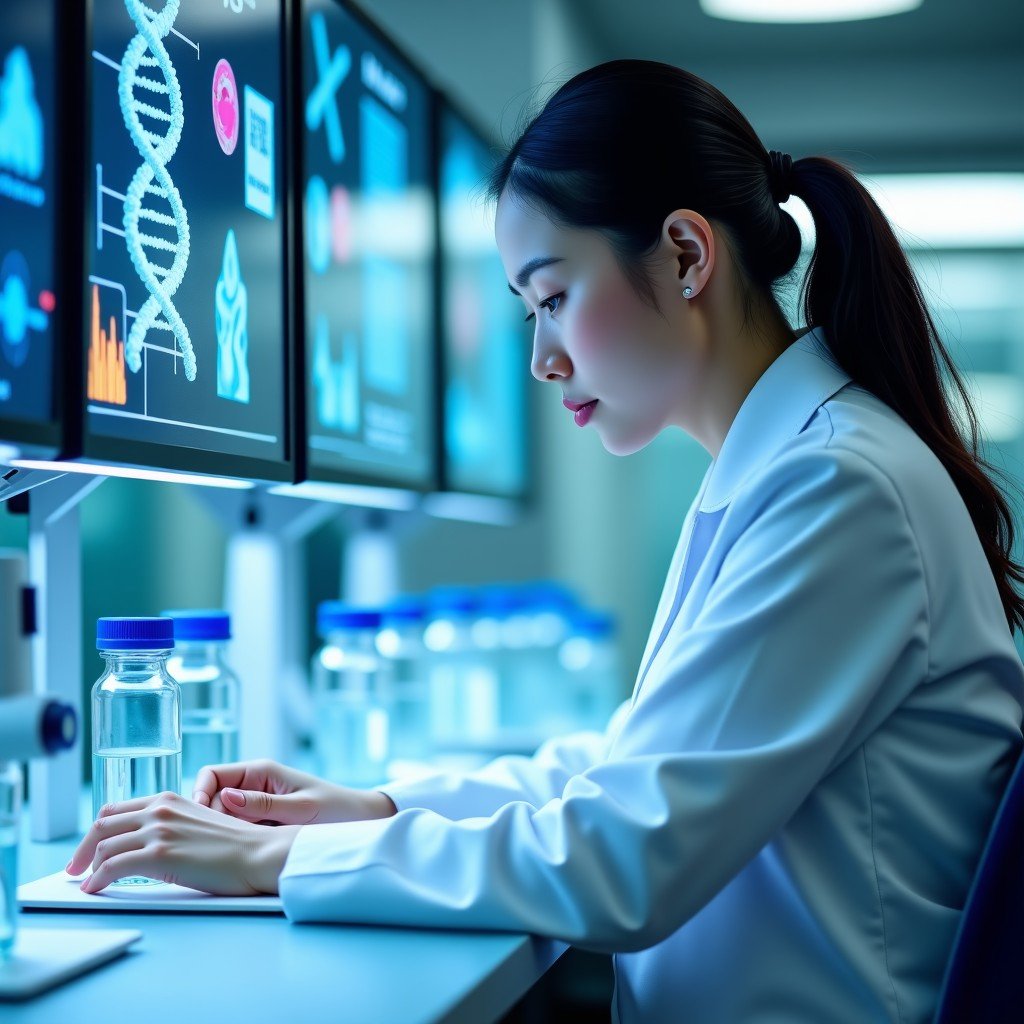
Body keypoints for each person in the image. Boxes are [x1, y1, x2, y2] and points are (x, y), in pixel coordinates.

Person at [68, 60, 1024, 1023]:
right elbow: (631, 771)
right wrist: (376, 809)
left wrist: (281, 859)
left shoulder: (835, 488)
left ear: (688, 257)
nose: (541, 358)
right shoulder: (794, 468)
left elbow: (626, 857)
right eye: (531, 312)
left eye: (555, 297)